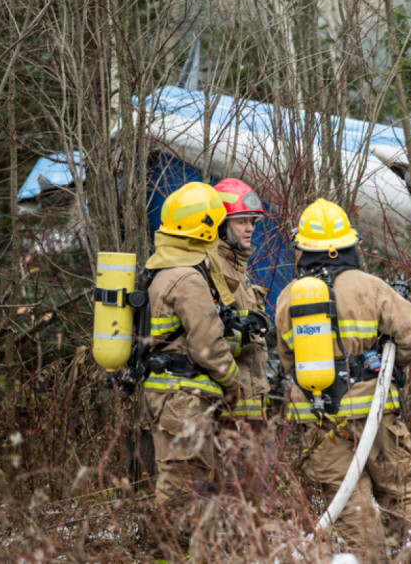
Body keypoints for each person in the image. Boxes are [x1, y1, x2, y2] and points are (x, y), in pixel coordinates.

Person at [276, 198, 411, 557]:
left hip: (320, 420)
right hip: (374, 412)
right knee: (401, 493)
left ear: (303, 248)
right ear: (347, 244)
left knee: (350, 508)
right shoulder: (369, 286)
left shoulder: (287, 299)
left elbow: (288, 361)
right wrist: (390, 368)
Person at [140, 181, 244, 552]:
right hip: (183, 397)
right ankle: (165, 553)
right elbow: (207, 345)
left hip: (170, 395)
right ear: (204, 229)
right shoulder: (187, 278)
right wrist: (234, 381)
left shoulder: (164, 270)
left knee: (184, 478)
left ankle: (180, 551)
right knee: (182, 482)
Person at [213, 178, 270, 424]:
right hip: (230, 402)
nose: (250, 228)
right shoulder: (214, 268)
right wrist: (249, 334)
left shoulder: (237, 268)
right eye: (241, 221)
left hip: (250, 397)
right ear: (220, 226)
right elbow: (206, 337)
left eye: (252, 221)